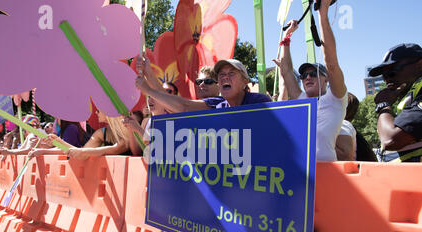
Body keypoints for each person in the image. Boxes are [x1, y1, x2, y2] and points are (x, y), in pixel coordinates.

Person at [273, 0, 348, 162]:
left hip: (328, 173)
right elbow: (286, 71)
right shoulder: (301, 100)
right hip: (301, 173)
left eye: (313, 73)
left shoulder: (336, 99)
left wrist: (323, 13)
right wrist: (288, 36)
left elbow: (332, 64)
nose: (307, 77)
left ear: (326, 78)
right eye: (304, 75)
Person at [134, 57, 271, 113]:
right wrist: (149, 74)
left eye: (231, 73)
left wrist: (147, 88)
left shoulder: (259, 102)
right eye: (221, 75)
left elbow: (182, 106)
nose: (225, 78)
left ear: (245, 82)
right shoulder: (218, 104)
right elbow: (178, 106)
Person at [369, 43, 422, 162]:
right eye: (384, 75)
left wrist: (383, 105)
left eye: (392, 71)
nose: (388, 79)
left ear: (420, 65)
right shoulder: (409, 100)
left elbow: (390, 140)